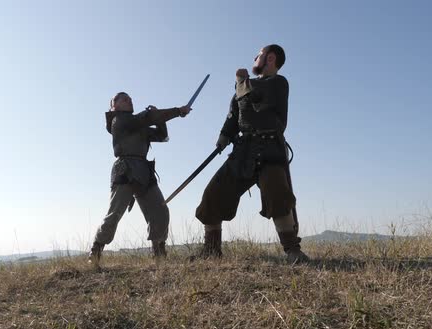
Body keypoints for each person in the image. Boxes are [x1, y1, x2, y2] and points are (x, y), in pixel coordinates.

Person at [194, 44, 309, 263]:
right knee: (213, 195)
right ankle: (211, 251)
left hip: (269, 149)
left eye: (258, 55)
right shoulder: (245, 85)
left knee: (278, 195)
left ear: (270, 58)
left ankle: (293, 251)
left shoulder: (278, 83)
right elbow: (234, 115)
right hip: (243, 151)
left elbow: (257, 109)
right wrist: (224, 135)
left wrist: (241, 84)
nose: (254, 58)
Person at [89, 92, 191, 265]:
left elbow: (161, 136)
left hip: (143, 171)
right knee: (114, 214)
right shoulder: (118, 121)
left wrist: (161, 119)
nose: (129, 100)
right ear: (113, 106)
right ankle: (96, 250)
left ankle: (159, 254)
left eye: (129, 98)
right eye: (123, 99)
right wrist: (177, 111)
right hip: (125, 170)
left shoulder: (138, 124)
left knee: (160, 211)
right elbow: (146, 118)